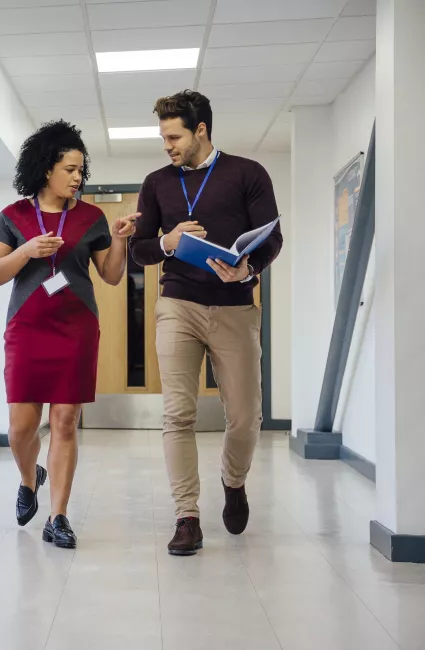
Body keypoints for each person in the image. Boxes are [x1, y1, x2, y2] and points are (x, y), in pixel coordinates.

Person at [129, 90, 283, 556]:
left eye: (174, 136)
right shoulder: (157, 182)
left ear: (201, 130)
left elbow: (272, 240)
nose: (167, 145)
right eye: (163, 137)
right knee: (178, 414)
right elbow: (140, 249)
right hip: (178, 304)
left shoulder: (247, 174)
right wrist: (168, 242)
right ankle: (187, 516)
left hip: (235, 305)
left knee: (244, 417)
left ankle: (233, 482)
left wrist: (248, 268)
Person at [0, 120, 138, 549]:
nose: (77, 177)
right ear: (46, 168)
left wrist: (122, 241)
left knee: (65, 422)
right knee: (20, 428)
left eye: (81, 170)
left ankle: (58, 516)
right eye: (70, 169)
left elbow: (109, 276)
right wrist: (25, 251)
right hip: (27, 329)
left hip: (76, 328)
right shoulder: (13, 216)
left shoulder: (91, 217)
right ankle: (28, 477)